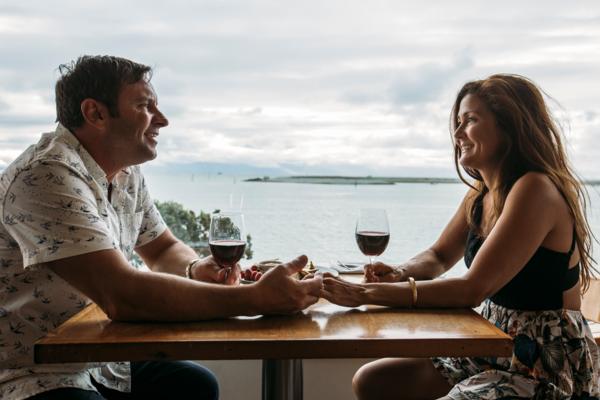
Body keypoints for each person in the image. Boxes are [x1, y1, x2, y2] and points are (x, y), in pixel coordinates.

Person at [0, 55, 323, 400]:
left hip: (99, 359)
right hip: (30, 370)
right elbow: (122, 296)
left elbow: (162, 249)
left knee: (195, 385)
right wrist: (254, 298)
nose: (163, 120)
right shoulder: (45, 176)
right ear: (95, 113)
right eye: (145, 106)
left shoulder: (124, 173)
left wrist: (195, 268)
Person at [321, 74, 600, 399]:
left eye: (470, 120)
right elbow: (438, 257)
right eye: (457, 122)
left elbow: (473, 288)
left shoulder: (535, 189)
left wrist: (367, 293)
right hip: (492, 344)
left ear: (508, 126)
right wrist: (399, 272)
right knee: (373, 381)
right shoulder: (480, 195)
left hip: (544, 364)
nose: (457, 134)